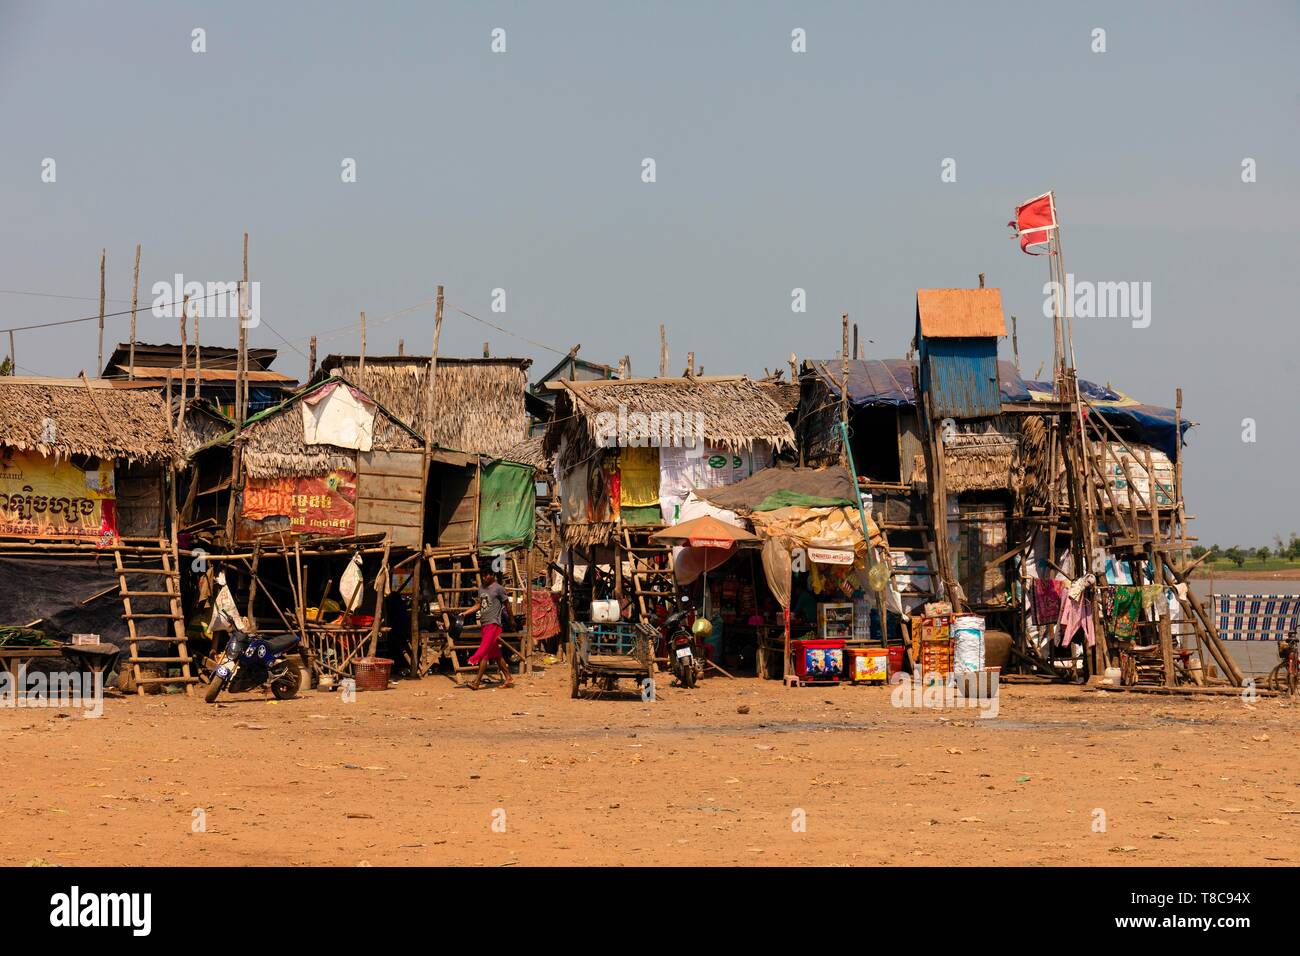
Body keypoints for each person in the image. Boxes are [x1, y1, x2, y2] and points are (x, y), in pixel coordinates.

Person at [461, 569, 514, 690]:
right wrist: (464, 613)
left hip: (494, 624)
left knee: (484, 652)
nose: (484, 577)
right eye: (483, 575)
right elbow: (479, 605)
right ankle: (509, 677)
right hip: (484, 624)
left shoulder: (498, 588)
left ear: (492, 575)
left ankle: (477, 682)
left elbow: (507, 604)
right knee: (496, 654)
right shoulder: (481, 589)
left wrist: (511, 619)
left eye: (486, 575)